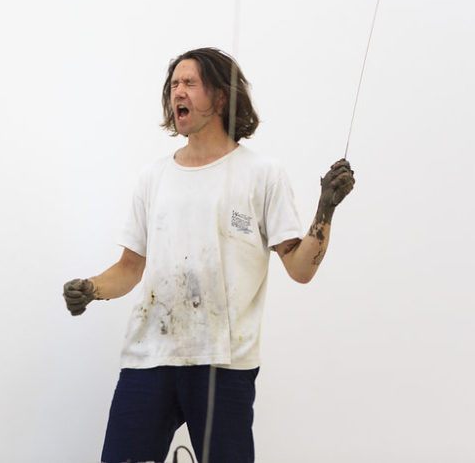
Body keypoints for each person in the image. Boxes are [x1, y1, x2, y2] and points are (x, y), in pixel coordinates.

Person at [63, 47, 354, 463]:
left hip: (225, 363)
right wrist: (91, 288)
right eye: (173, 84)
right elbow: (129, 269)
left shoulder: (261, 174)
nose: (177, 91)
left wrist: (325, 208)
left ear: (220, 97)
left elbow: (299, 267)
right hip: (150, 358)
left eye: (189, 83)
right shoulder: (154, 178)